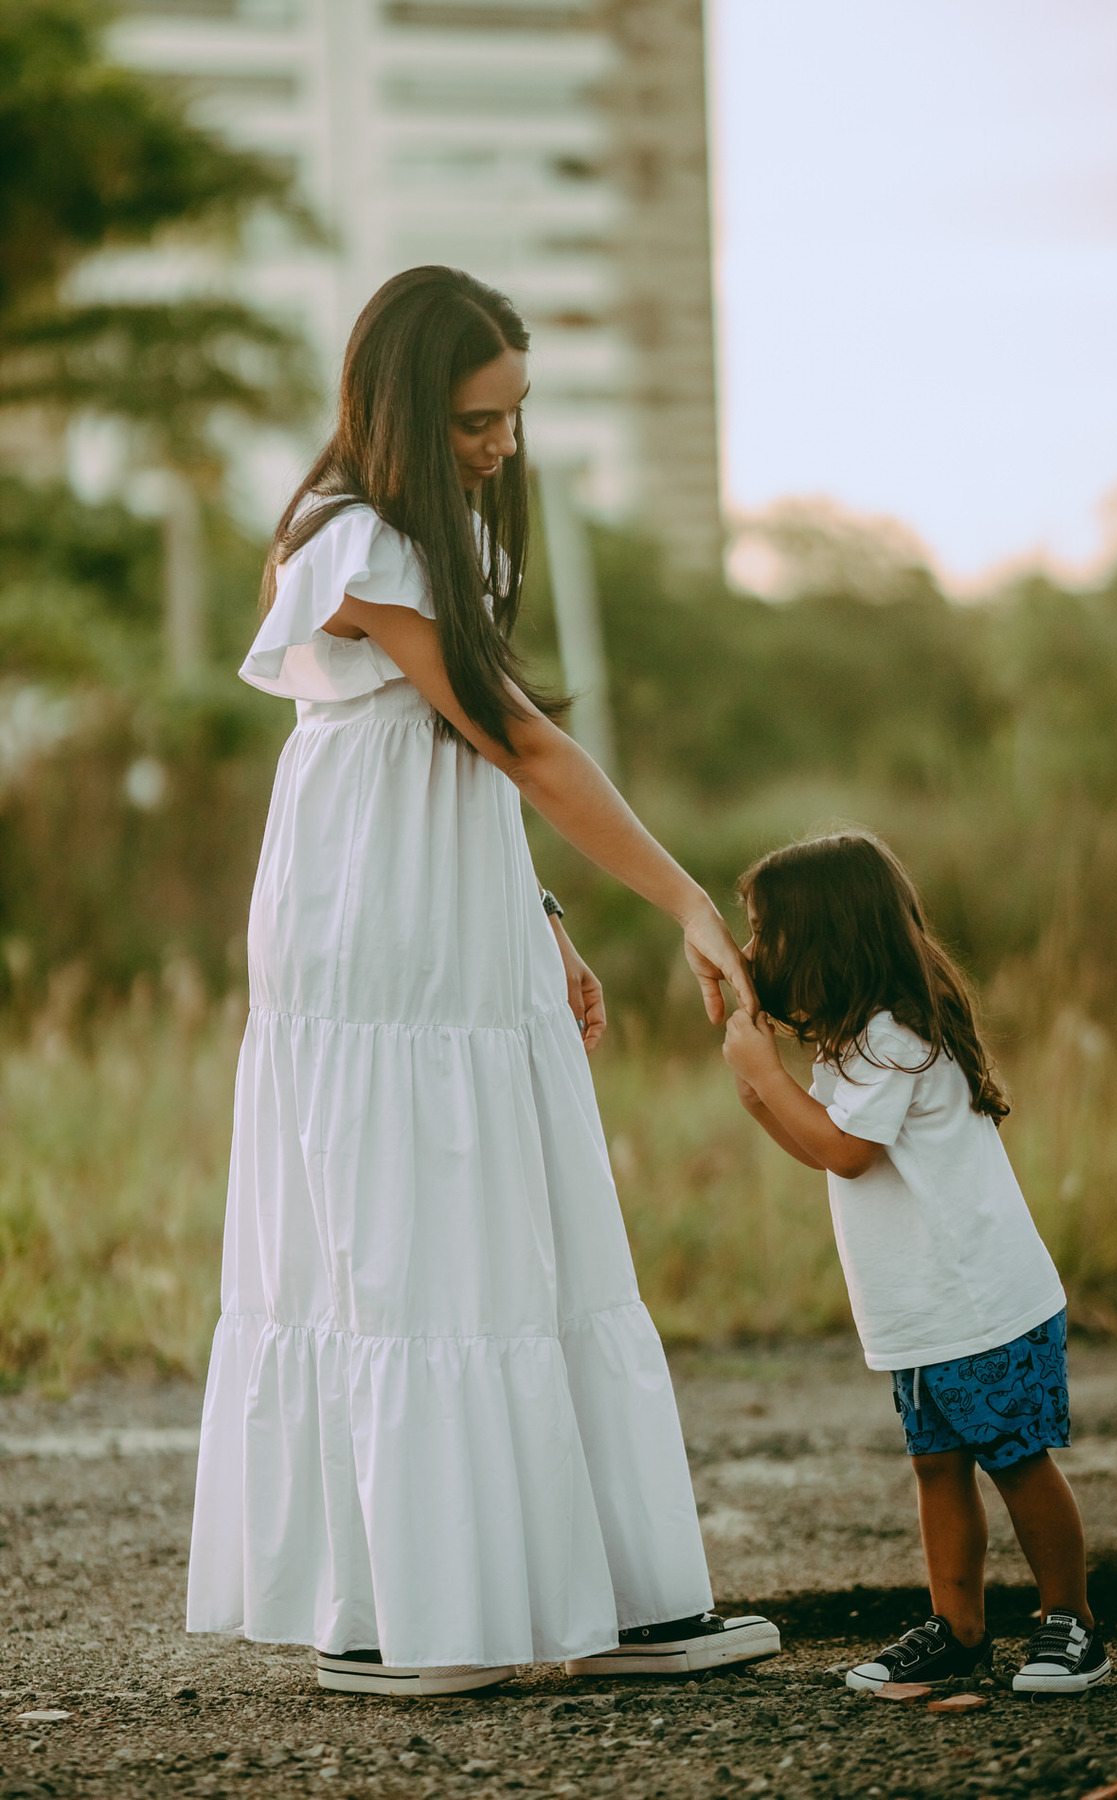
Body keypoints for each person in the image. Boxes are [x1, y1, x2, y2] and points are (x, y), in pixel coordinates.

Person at [185, 265, 780, 1698]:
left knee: (526, 1231)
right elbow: (517, 742)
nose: (501, 446)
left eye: (514, 416)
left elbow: (469, 774)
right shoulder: (355, 540)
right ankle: (394, 1612)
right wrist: (687, 901)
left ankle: (601, 1597)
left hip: (454, 905)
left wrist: (543, 917)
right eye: (473, 421)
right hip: (373, 928)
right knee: (406, 1238)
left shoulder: (436, 531)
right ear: (399, 407)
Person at [721, 830, 1110, 1696]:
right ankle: (958, 1629)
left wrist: (762, 1071)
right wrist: (758, 1086)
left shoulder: (894, 1039)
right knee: (938, 1465)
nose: (752, 952)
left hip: (980, 1301)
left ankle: (1072, 1623)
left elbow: (848, 1153)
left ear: (825, 936)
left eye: (762, 931)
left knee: (1014, 1457)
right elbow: (823, 1147)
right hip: (924, 1311)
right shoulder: (853, 1043)